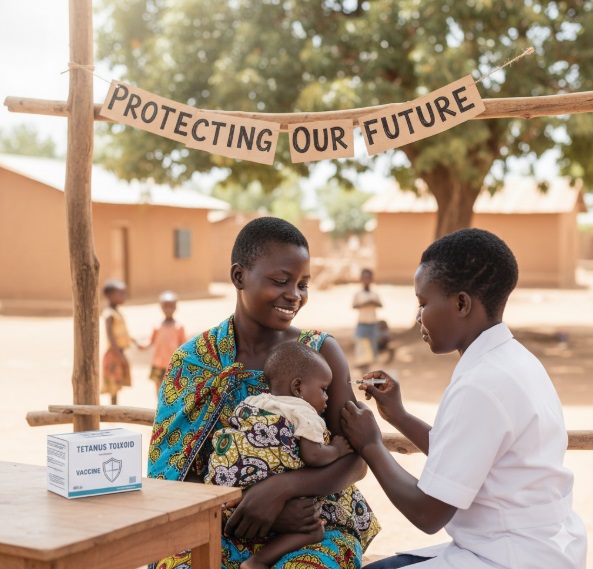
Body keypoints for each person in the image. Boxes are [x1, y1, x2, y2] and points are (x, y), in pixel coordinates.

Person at [340, 228, 587, 568]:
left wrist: (371, 446)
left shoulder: (481, 385)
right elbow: (464, 456)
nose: (417, 318)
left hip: (512, 556)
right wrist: (398, 416)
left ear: (461, 303)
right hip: (538, 545)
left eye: (423, 303)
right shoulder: (515, 360)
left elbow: (428, 514)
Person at [147, 217, 380, 569]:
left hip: (313, 523)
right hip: (219, 523)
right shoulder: (194, 362)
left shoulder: (319, 354)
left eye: (303, 284)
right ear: (239, 276)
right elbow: (170, 472)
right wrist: (240, 506)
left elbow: (355, 457)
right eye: (281, 281)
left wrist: (281, 489)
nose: (295, 295)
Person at [206, 341, 354, 569]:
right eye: (323, 389)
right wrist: (336, 449)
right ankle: (258, 561)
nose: (327, 398)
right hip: (265, 493)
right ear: (298, 388)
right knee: (315, 530)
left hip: (229, 482)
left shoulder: (256, 402)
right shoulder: (304, 413)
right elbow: (312, 455)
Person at [142, 290, 187, 396]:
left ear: (176, 307)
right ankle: (159, 408)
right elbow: (150, 342)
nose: (168, 309)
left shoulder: (179, 327)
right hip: (158, 363)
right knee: (158, 388)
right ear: (161, 307)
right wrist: (141, 346)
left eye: (171, 306)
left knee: (172, 388)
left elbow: (184, 345)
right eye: (165, 306)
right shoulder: (157, 326)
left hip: (173, 364)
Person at [101, 279, 136, 405]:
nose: (123, 296)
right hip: (114, 353)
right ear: (110, 296)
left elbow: (122, 332)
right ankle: (113, 407)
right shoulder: (109, 314)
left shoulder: (117, 312)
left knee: (117, 381)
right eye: (120, 294)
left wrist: (134, 341)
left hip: (119, 351)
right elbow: (110, 336)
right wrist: (118, 354)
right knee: (113, 383)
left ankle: (115, 406)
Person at [352, 268, 383, 372]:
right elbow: (354, 306)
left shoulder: (374, 294)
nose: (366, 280)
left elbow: (380, 304)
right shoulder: (358, 294)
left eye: (368, 278)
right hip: (362, 324)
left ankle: (370, 369)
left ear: (371, 279)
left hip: (372, 324)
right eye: (364, 278)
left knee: (372, 346)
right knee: (361, 346)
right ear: (361, 279)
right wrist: (366, 303)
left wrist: (372, 302)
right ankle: (363, 369)